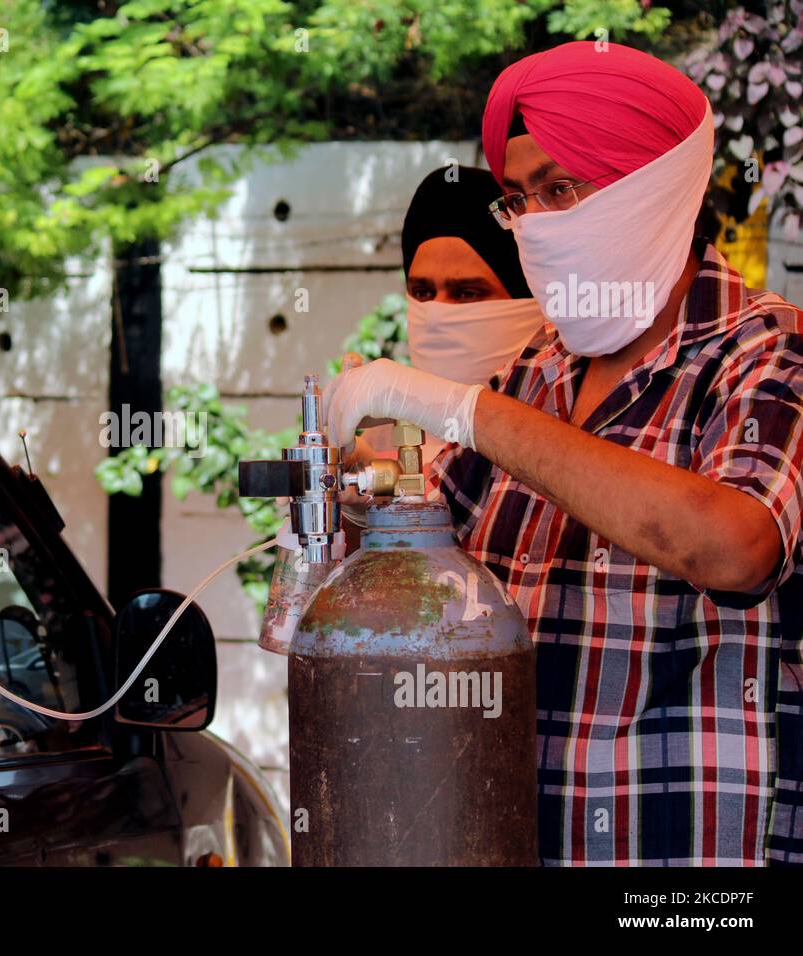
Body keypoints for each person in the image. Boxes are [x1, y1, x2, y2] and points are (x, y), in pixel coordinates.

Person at [324, 41, 803, 866]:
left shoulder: (765, 352)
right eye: (518, 200)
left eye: (560, 190)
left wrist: (457, 406)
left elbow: (732, 544)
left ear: (652, 189)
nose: (536, 226)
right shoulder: (535, 373)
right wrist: (358, 469)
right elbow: (421, 553)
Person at [348, 164, 545, 468]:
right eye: (423, 292)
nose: (437, 314)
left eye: (467, 293)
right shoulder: (386, 443)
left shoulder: (565, 427)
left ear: (529, 300)